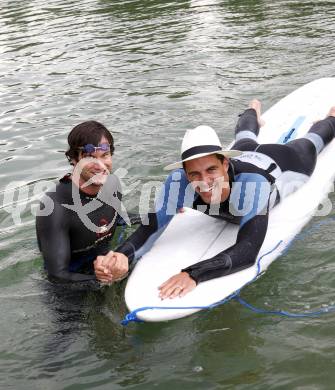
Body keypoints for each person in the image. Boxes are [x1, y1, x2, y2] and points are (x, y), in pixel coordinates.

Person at [94, 100, 335, 297]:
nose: (204, 182)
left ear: (225, 163)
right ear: (185, 173)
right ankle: (253, 110)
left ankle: (331, 116)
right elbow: (152, 227)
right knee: (245, 136)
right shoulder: (178, 182)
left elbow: (248, 250)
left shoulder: (253, 186)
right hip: (248, 151)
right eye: (194, 174)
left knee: (312, 142)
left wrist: (193, 274)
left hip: (284, 161)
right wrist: (122, 255)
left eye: (211, 170)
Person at [36, 120, 136, 283]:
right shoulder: (53, 207)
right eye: (90, 157)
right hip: (70, 282)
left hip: (106, 263)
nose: (100, 165)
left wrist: (154, 218)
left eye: (105, 155)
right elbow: (57, 275)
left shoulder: (113, 184)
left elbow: (116, 218)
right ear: (74, 159)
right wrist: (103, 280)